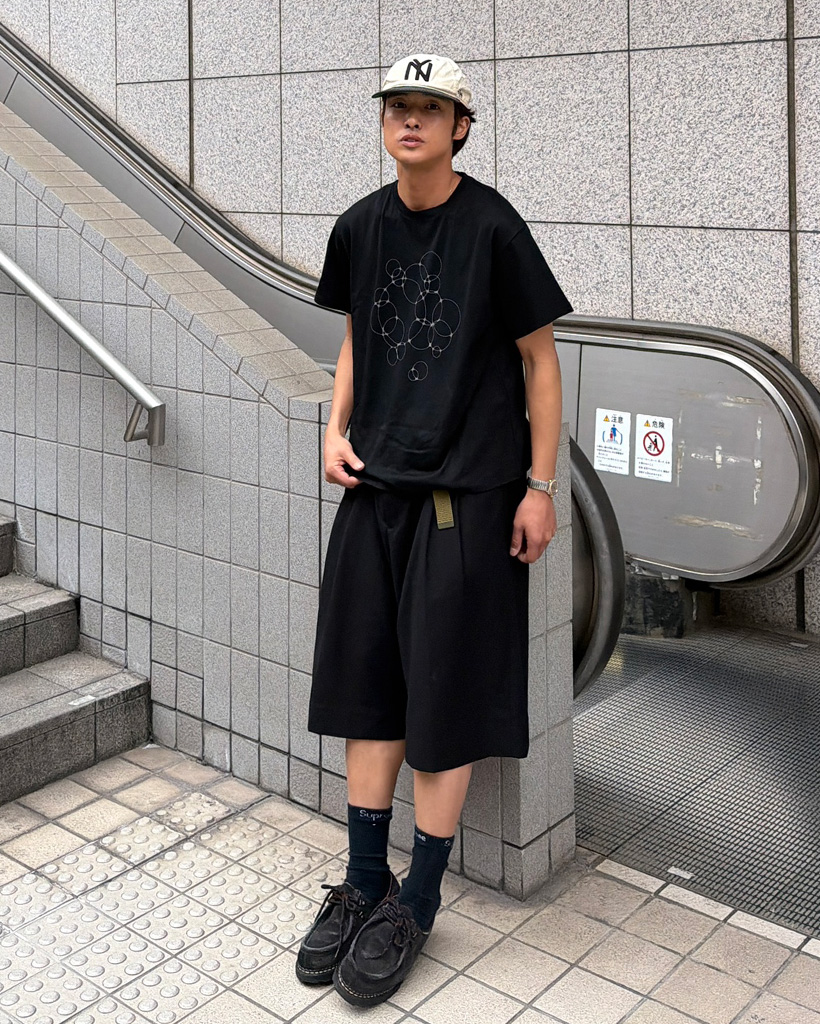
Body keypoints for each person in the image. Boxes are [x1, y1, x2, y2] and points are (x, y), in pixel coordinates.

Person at [295, 52, 573, 1008]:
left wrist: (540, 487)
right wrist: (333, 428)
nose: (410, 120)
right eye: (397, 108)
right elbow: (353, 341)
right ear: (383, 124)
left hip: (466, 501)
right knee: (367, 692)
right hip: (374, 493)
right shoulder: (358, 226)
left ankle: (417, 899)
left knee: (444, 705)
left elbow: (541, 360)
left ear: (460, 126)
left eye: (431, 108)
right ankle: (364, 881)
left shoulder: (493, 226)